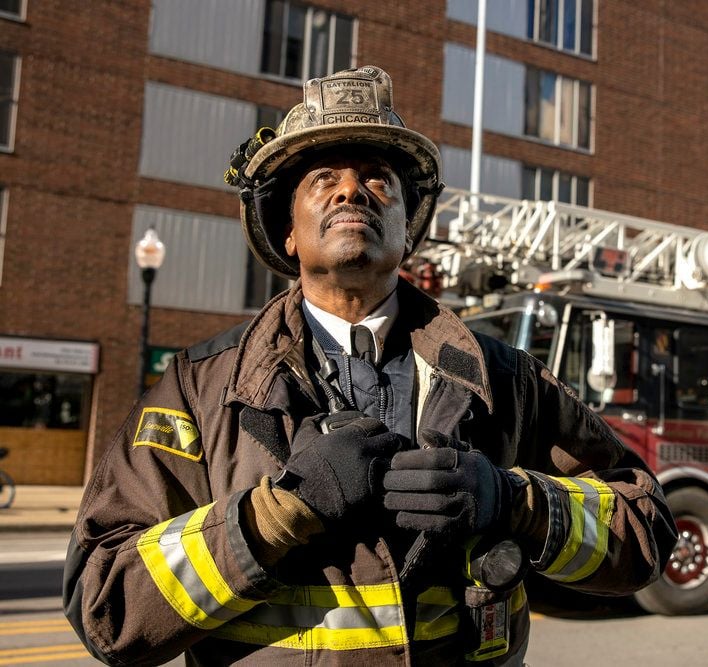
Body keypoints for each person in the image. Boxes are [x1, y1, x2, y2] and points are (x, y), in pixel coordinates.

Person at [64, 66, 676, 666]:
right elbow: (105, 604)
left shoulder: (506, 381)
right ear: (289, 235)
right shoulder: (202, 390)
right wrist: (273, 515)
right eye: (321, 178)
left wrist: (513, 500)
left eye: (379, 179)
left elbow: (645, 530)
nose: (351, 191)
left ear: (407, 231)